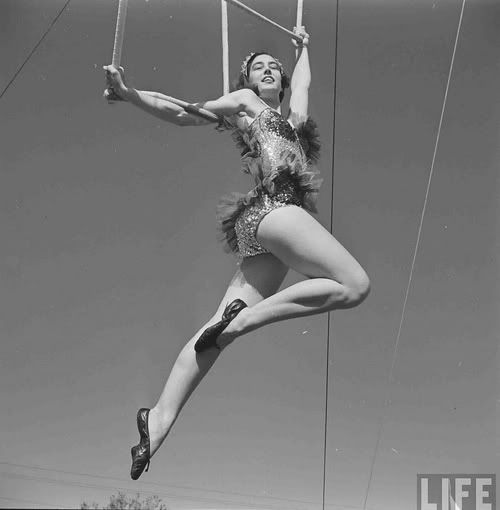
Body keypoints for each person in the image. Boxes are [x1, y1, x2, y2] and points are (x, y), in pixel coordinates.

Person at [103, 26, 370, 481]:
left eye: (274, 68)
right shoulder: (246, 106)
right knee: (355, 285)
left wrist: (303, 48)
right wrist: (129, 94)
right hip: (277, 211)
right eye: (258, 67)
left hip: (268, 232)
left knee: (214, 328)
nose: (268, 70)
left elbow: (303, 83)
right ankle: (245, 320)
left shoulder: (294, 122)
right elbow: (187, 112)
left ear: (281, 83)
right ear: (246, 81)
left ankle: (158, 421)